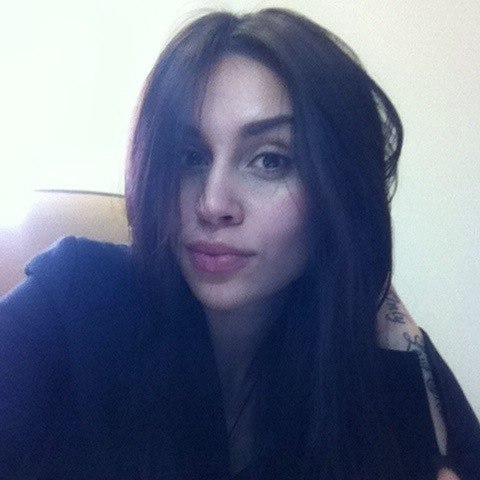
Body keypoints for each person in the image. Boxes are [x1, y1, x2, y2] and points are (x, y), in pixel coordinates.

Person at [1, 8, 479, 480]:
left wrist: (375, 298)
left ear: (339, 186)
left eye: (270, 160)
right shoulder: (74, 299)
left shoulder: (366, 354)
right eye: (190, 157)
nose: (213, 204)